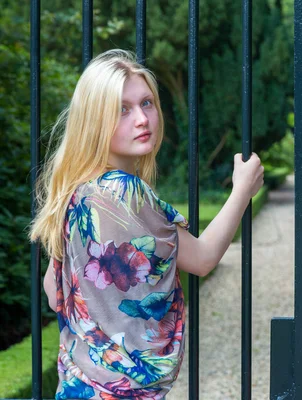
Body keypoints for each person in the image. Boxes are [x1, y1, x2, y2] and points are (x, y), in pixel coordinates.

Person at [29, 49, 264, 399]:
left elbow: (54, 294)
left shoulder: (75, 194)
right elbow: (201, 259)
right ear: (95, 120)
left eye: (147, 103)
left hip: (76, 387)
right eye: (122, 109)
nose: (142, 119)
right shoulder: (126, 191)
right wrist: (243, 190)